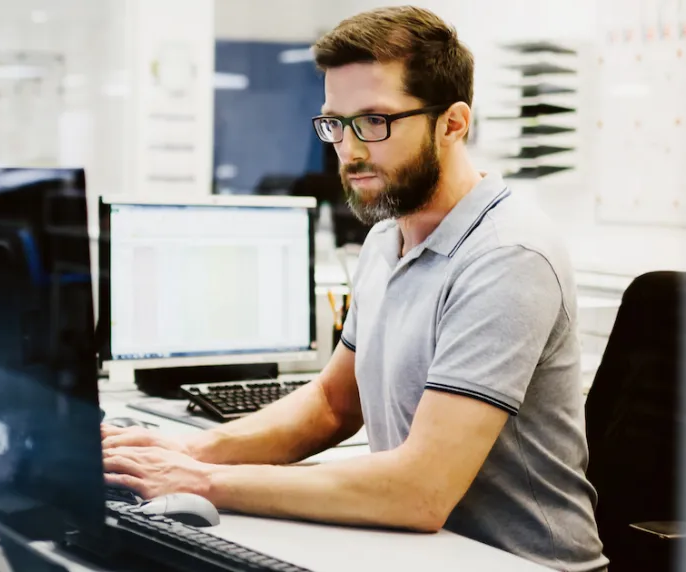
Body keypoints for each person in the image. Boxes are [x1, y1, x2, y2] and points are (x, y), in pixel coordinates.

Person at [101, 6, 608, 571]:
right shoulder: (387, 239)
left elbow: (419, 489)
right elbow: (331, 405)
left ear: (454, 123)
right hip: (417, 551)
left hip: (519, 562)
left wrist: (204, 480)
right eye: (335, 124)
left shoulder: (506, 255)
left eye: (374, 121)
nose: (350, 149)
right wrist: (185, 450)